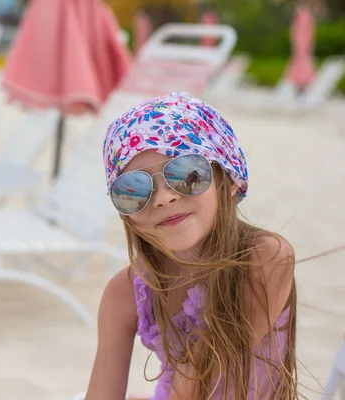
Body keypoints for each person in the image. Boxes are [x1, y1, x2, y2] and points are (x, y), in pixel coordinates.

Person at [85, 92, 297, 399]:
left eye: (187, 173)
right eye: (134, 189)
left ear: (229, 175)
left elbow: (194, 384)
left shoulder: (265, 258)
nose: (163, 197)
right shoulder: (124, 293)